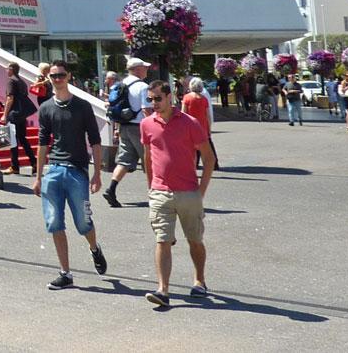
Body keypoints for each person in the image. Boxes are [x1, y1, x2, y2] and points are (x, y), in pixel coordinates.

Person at [139, 80, 215, 308]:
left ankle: (199, 280)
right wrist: (151, 187)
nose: (154, 103)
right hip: (160, 192)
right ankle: (163, 290)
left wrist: (201, 191)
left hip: (188, 192)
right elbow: (148, 157)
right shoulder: (146, 124)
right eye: (150, 99)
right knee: (162, 240)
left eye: (158, 99)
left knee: (195, 241)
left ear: (169, 97)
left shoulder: (189, 123)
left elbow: (209, 158)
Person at [33, 60, 108, 289]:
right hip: (54, 169)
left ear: (69, 76)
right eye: (54, 76)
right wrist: (38, 177)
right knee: (54, 222)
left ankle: (94, 248)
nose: (57, 79)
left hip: (77, 170)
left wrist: (97, 174)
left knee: (83, 223)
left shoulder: (82, 106)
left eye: (61, 75)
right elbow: (43, 143)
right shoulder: (46, 108)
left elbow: (95, 140)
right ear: (49, 78)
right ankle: (65, 272)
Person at [102, 57, 152, 207]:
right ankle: (155, 194)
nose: (146, 70)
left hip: (124, 126)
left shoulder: (121, 84)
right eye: (144, 67)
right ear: (137, 69)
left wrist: (117, 129)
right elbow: (146, 109)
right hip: (140, 127)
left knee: (124, 160)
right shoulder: (143, 87)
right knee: (149, 161)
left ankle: (111, 188)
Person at [2, 62, 37, 175]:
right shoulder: (22, 82)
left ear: (11, 70)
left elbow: (10, 98)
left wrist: (4, 114)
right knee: (23, 139)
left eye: (7, 68)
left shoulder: (11, 81)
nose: (6, 70)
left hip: (14, 114)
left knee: (13, 140)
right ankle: (34, 162)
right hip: (22, 115)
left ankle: (15, 166)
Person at [181, 77, 218, 170]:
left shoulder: (187, 98)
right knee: (207, 146)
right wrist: (209, 128)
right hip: (202, 126)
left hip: (190, 126)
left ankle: (194, 164)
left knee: (192, 148)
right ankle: (214, 163)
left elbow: (183, 114)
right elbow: (208, 115)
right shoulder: (204, 99)